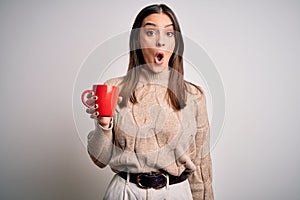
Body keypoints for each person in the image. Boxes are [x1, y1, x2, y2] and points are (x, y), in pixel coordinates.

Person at [84, 4, 214, 200]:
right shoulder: (113, 89)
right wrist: (104, 126)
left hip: (176, 193)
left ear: (176, 43)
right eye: (151, 32)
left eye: (169, 34)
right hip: (125, 192)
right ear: (137, 39)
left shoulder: (193, 95)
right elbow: (99, 159)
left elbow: (201, 165)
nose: (161, 41)